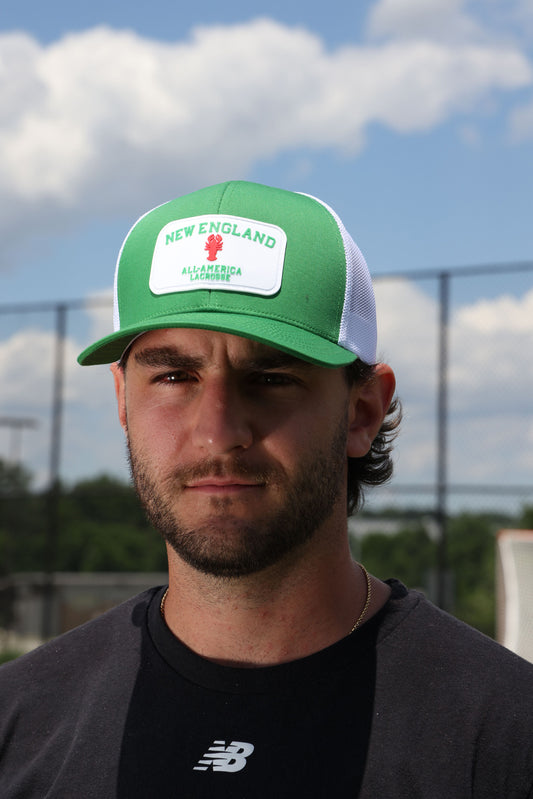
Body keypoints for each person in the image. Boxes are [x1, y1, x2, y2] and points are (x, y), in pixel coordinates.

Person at [1, 181, 532, 798]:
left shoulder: (507, 736)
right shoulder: (20, 721)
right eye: (174, 376)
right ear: (123, 400)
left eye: (272, 377)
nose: (217, 433)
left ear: (362, 411)